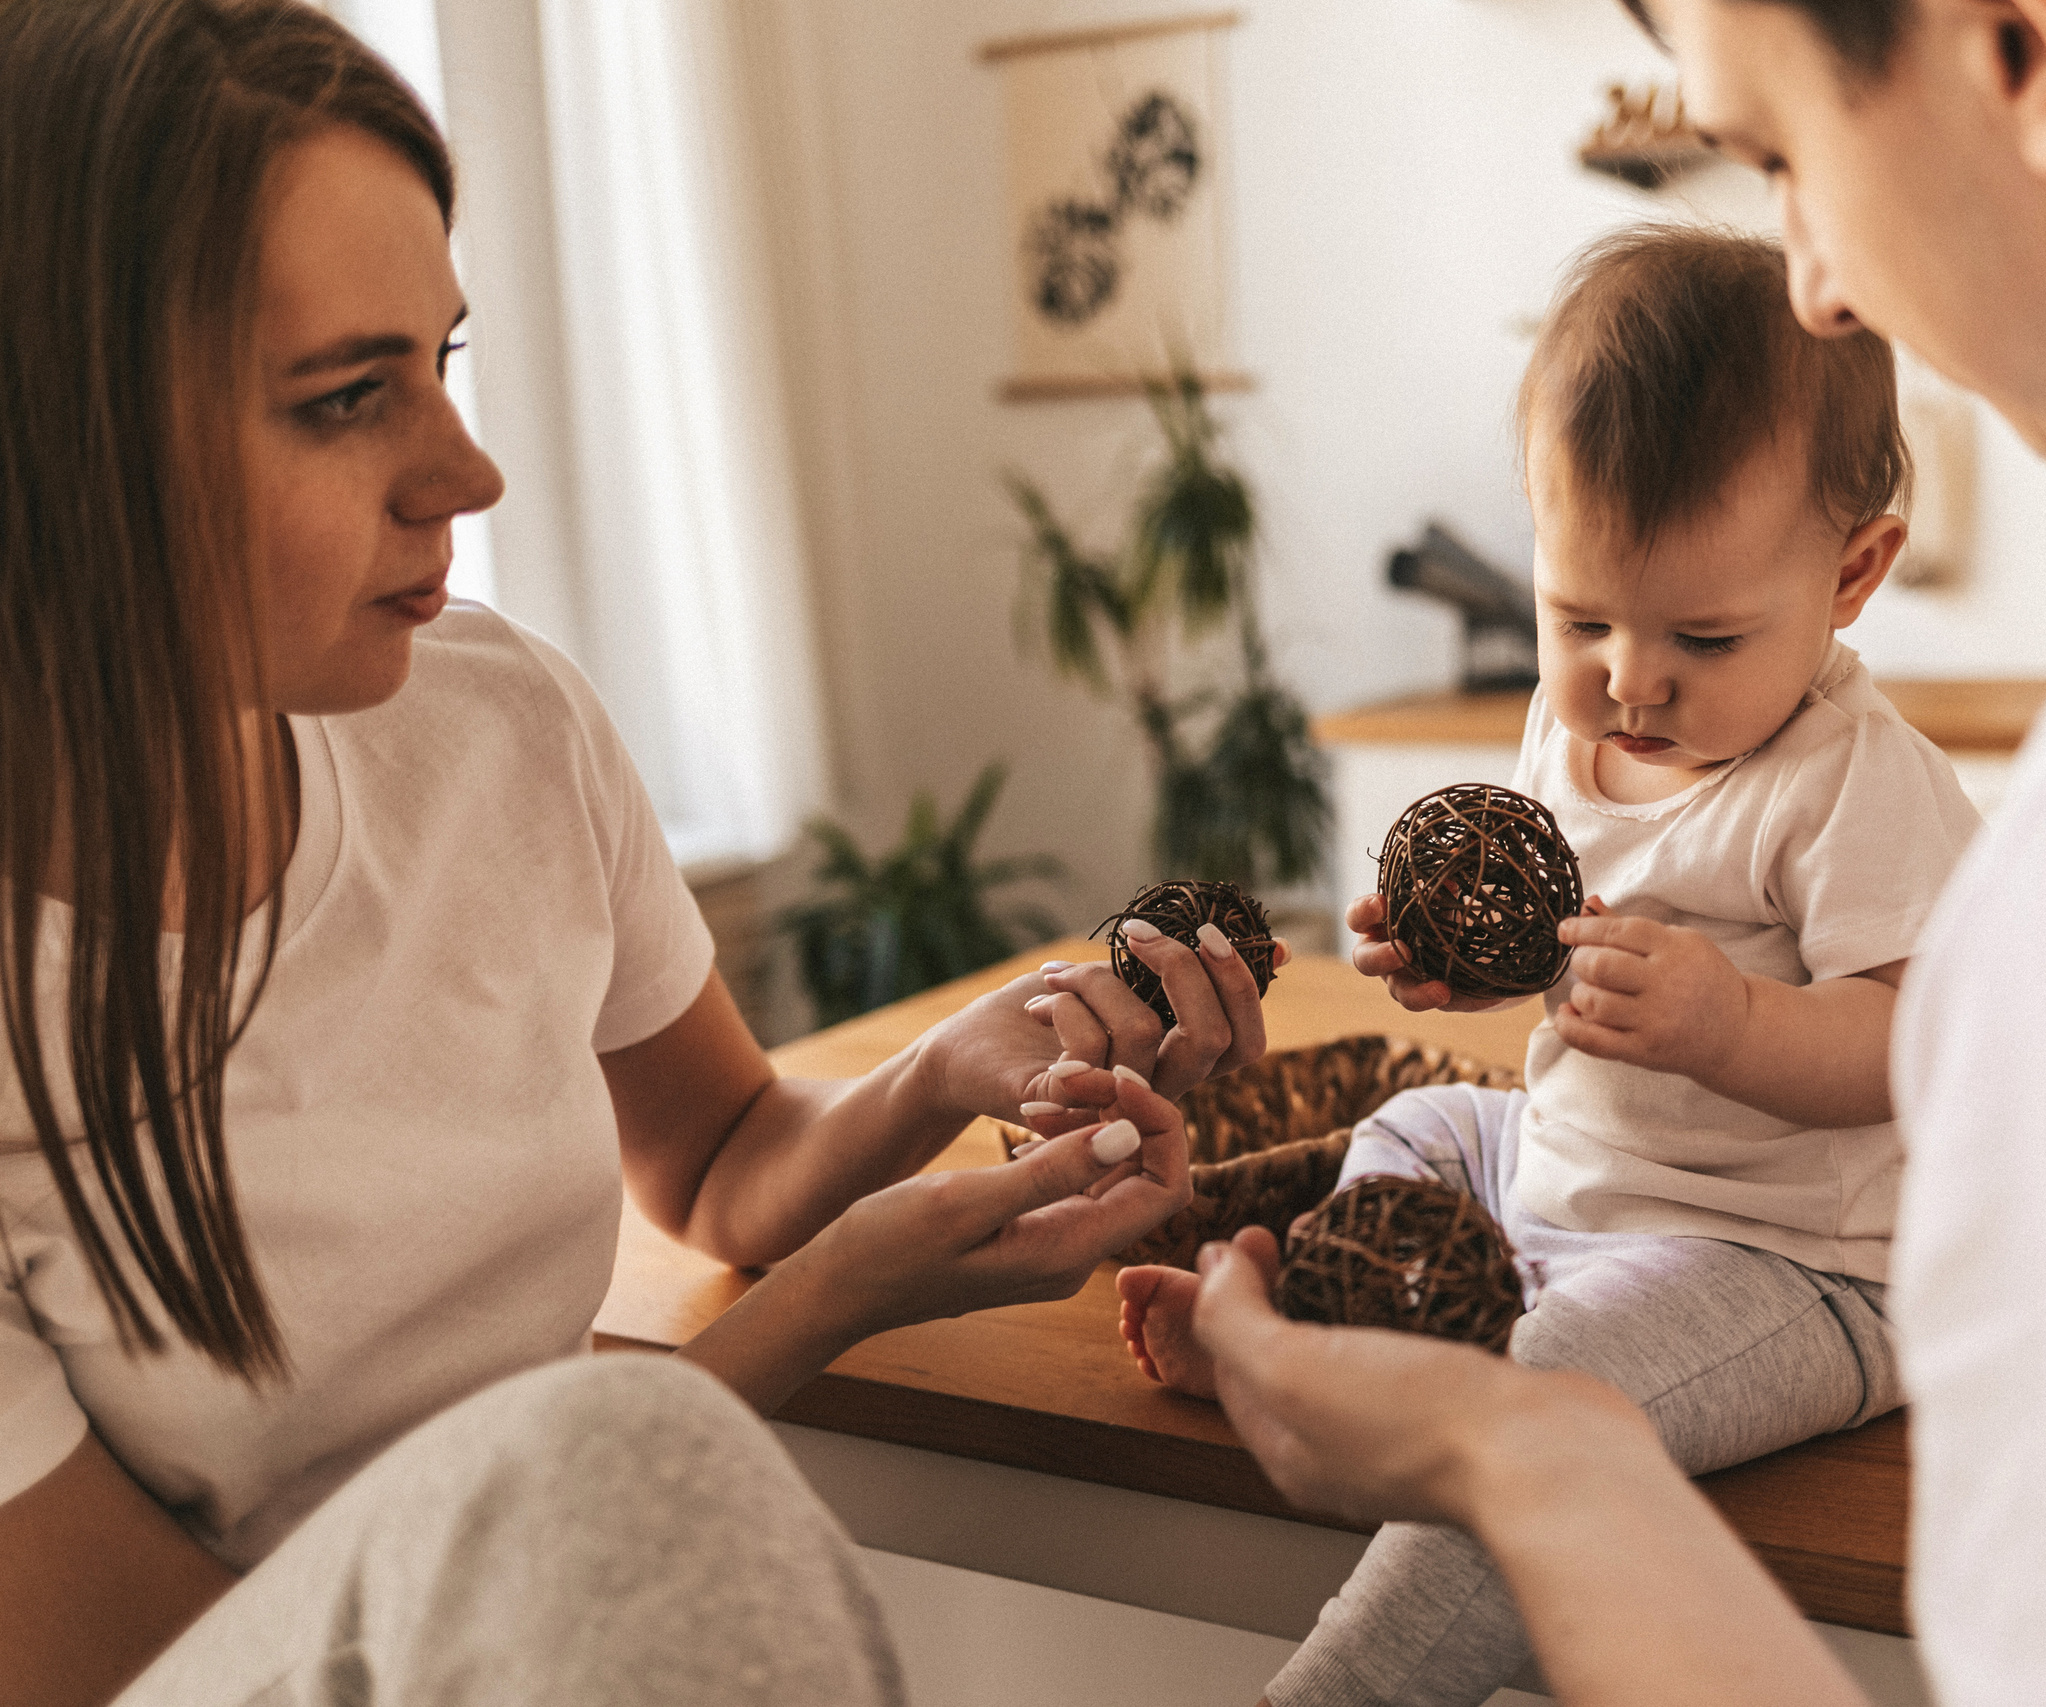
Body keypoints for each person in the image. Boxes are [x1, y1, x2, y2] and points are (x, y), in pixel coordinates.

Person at [1193, 1, 2046, 1704]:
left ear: (2025, 46)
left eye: (1781, 156)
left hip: (1752, 1254)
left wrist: (1525, 1461)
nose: (1817, 280)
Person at [0, 4, 1262, 1703]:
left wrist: (932, 1078)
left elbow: (723, 1157)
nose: (466, 467)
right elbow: (173, 1673)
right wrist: (817, 1303)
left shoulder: (495, 724)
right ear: (61, 440)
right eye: (345, 397)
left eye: (440, 363)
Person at [1114, 225, 1977, 1707]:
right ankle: (1311, 1330)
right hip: (1564, 1174)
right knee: (1427, 1123)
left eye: (1703, 635)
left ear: (1854, 572)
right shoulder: (1569, 726)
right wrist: (1455, 968)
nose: (1630, 678)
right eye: (1581, 616)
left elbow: (1928, 1048)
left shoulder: (1857, 784)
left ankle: (1343, 1681)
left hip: (1782, 1264)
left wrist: (1736, 1023)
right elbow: (1560, 954)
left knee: (1540, 1405)